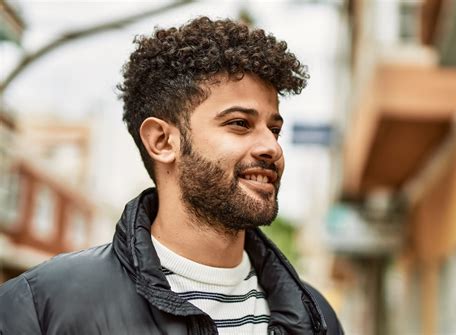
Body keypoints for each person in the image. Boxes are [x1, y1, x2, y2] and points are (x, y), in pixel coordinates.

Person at [0, 17, 343, 334]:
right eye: (240, 123)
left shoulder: (315, 316)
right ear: (163, 141)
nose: (272, 147)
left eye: (274, 129)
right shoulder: (41, 306)